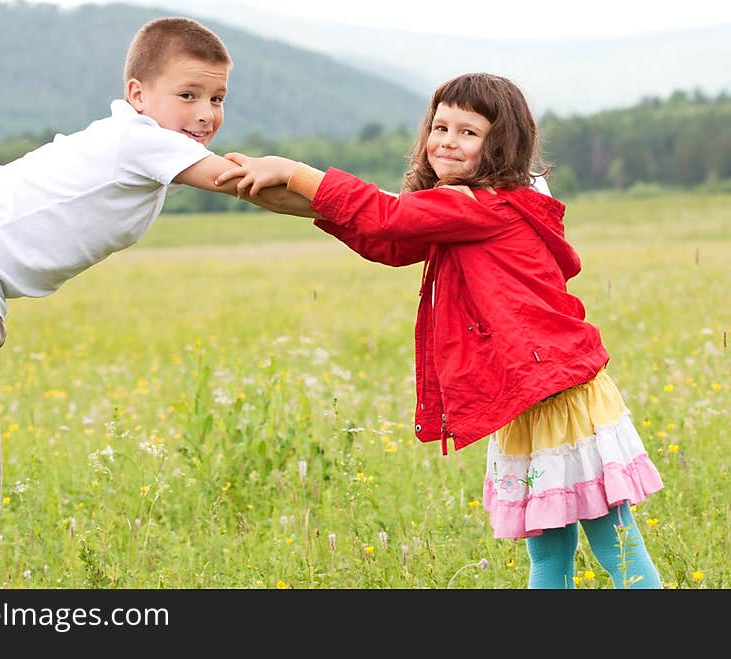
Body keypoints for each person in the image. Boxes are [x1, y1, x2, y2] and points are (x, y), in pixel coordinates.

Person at [0, 16, 313, 589]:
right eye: (188, 95)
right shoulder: (140, 140)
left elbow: (253, 188)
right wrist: (367, 211)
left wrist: (359, 218)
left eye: (218, 98)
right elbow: (253, 185)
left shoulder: (144, 146)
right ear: (137, 94)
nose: (206, 113)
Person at [215, 72, 664, 589]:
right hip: (533, 396)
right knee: (547, 554)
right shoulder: (466, 206)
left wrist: (294, 170)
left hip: (561, 400)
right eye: (441, 126)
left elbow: (386, 218)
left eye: (468, 132)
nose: (447, 140)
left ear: (501, 145)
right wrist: (274, 191)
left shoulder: (482, 204)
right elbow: (390, 242)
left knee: (616, 543)